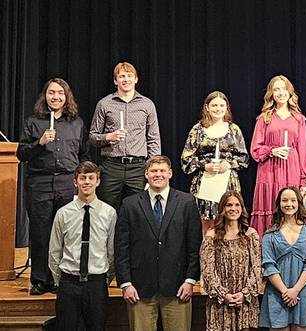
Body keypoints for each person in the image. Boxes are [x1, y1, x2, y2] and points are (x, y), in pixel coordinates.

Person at [17, 77, 90, 295]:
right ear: (45, 96)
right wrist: (40, 143)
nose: (55, 96)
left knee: (66, 233)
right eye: (51, 93)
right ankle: (40, 279)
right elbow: (21, 154)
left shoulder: (76, 123)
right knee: (40, 233)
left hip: (67, 183)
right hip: (39, 183)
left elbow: (83, 154)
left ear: (66, 97)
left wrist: (82, 181)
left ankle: (62, 278)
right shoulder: (33, 122)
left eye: (60, 93)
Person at [114, 155, 202, 331]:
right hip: (139, 289)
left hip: (178, 288)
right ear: (146, 174)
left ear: (170, 173)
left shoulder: (187, 202)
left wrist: (190, 280)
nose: (158, 174)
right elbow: (121, 247)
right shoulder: (130, 204)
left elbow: (194, 245)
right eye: (154, 171)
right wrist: (125, 284)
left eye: (162, 170)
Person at [48, 161, 116, 330]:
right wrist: (61, 280)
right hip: (69, 283)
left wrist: (104, 279)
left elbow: (112, 251)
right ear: (75, 182)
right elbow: (54, 251)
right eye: (82, 178)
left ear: (98, 182)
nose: (87, 182)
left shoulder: (109, 213)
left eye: (91, 178)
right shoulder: (63, 213)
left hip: (96, 283)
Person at [89, 62, 161, 210]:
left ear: (136, 79)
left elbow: (153, 138)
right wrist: (109, 137)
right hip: (111, 166)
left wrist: (154, 168)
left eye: (129, 76)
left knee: (138, 211)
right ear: (116, 81)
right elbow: (92, 137)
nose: (126, 79)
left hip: (138, 167)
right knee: (106, 211)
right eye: (122, 76)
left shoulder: (147, 105)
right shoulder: (104, 104)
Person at [181, 91, 249, 231]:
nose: (218, 109)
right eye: (214, 105)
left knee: (229, 222)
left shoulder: (234, 130)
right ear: (207, 107)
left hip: (228, 183)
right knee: (205, 225)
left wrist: (228, 164)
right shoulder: (198, 130)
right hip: (205, 183)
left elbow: (244, 158)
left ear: (226, 107)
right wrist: (205, 165)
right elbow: (186, 159)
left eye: (221, 105)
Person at [251, 76, 306, 235]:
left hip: (291, 170)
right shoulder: (264, 118)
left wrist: (304, 180)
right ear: (271, 93)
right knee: (271, 207)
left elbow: (303, 151)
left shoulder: (299, 119)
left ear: (290, 92)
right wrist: (272, 151)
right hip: (269, 171)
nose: (280, 92)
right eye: (276, 89)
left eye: (284, 89)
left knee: (290, 208)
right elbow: (255, 149)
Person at [260, 187, 306, 330]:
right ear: (279, 204)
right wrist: (285, 292)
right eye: (284, 200)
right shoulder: (270, 234)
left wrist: (295, 290)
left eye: (293, 200)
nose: (289, 204)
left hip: (303, 292)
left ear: (299, 203)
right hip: (277, 293)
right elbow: (269, 266)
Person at [200, 191, 261, 331]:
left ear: (242, 208)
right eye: (229, 205)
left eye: (236, 205)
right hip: (220, 304)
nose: (233, 208)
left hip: (244, 303)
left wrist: (244, 294)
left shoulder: (251, 234)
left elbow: (257, 269)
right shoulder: (212, 236)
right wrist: (223, 295)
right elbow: (207, 271)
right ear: (222, 208)